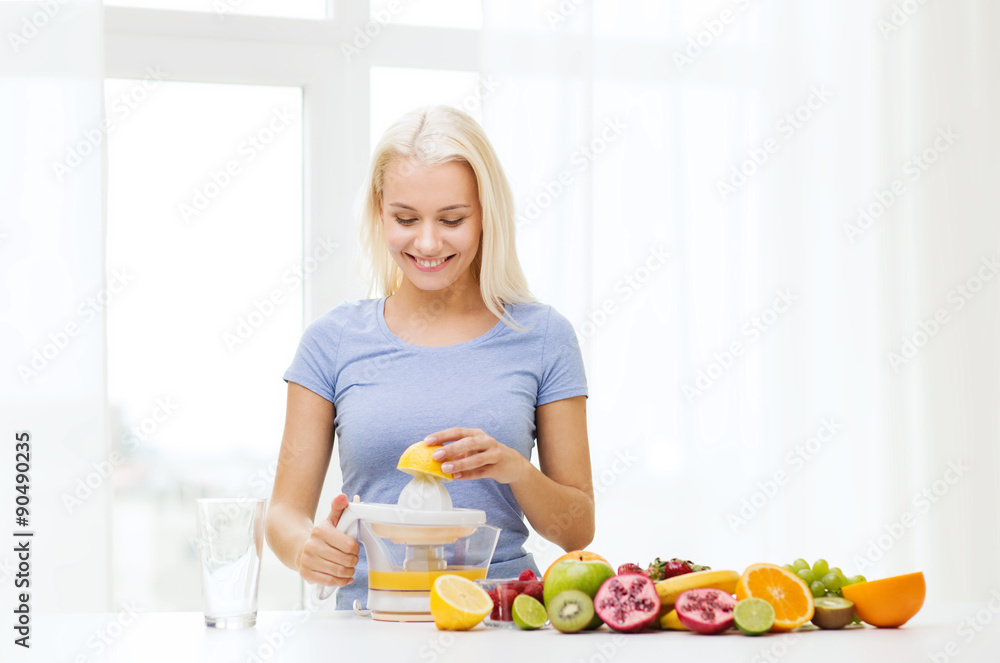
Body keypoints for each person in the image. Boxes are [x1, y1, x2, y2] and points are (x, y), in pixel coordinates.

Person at [264, 105, 594, 610]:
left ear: (487, 215)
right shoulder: (332, 340)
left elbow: (577, 530)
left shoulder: (543, 336)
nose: (427, 242)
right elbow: (284, 514)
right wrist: (305, 548)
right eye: (405, 218)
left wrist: (515, 471)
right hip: (371, 625)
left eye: (452, 219)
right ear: (380, 213)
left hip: (501, 624)